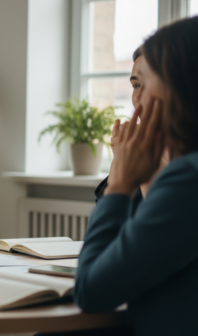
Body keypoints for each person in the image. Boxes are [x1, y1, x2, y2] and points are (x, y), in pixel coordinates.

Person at [74, 16, 198, 335]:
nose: (138, 102)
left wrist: (122, 182)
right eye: (134, 85)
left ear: (181, 82)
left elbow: (91, 290)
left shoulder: (189, 177)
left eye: (147, 80)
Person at [94, 48, 169, 211]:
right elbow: (112, 229)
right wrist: (121, 163)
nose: (138, 97)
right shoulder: (136, 154)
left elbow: (160, 227)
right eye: (136, 85)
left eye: (152, 84)